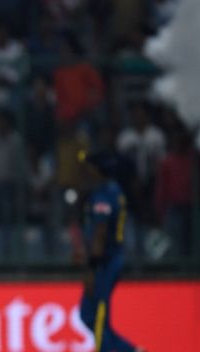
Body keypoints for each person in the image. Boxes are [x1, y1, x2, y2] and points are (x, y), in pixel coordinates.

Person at [78, 151, 145, 352]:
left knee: (98, 316)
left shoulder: (103, 195)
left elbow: (100, 232)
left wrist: (91, 269)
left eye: (88, 167)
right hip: (109, 259)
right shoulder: (114, 190)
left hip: (106, 262)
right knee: (88, 314)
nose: (84, 172)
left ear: (98, 170)